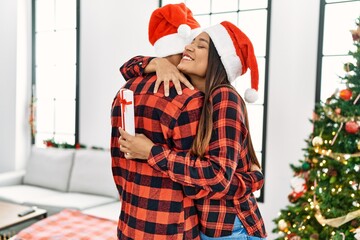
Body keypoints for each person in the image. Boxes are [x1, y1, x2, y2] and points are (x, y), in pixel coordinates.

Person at [111, 4, 263, 239]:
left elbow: (217, 178)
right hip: (212, 227)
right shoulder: (198, 98)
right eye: (191, 42)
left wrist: (151, 151)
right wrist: (156, 63)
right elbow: (128, 67)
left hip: (231, 227)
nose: (189, 47)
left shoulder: (224, 96)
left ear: (218, 59)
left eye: (200, 45)